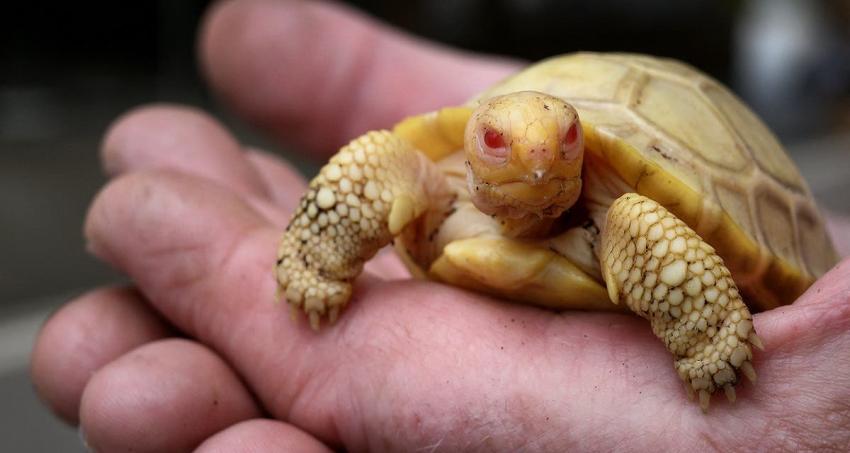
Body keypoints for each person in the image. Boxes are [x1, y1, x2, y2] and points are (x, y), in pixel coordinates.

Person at [30, 0, 850, 451]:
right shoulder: (431, 181)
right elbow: (381, 164)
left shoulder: (624, 215)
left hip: (674, 206)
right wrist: (319, 253)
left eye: (564, 142)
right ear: (473, 143)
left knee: (642, 225)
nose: (538, 160)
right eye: (499, 141)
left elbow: (647, 221)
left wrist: (712, 337)